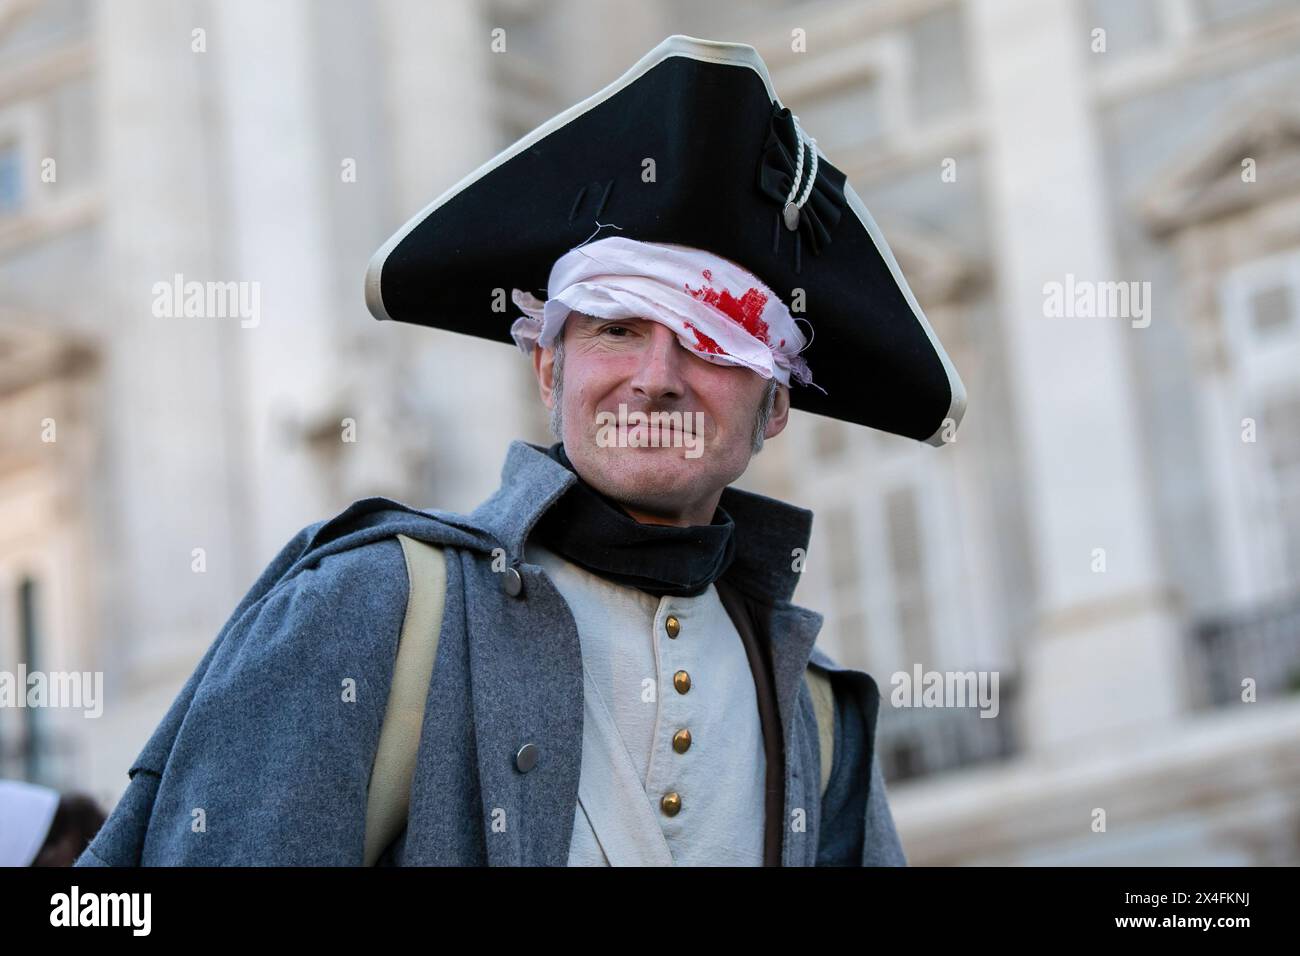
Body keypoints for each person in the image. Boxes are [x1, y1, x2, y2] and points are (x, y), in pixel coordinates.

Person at [77, 35, 965, 867]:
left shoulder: (820, 716)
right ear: (549, 368)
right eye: (616, 328)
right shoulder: (370, 603)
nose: (656, 377)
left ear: (775, 406)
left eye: (710, 343)